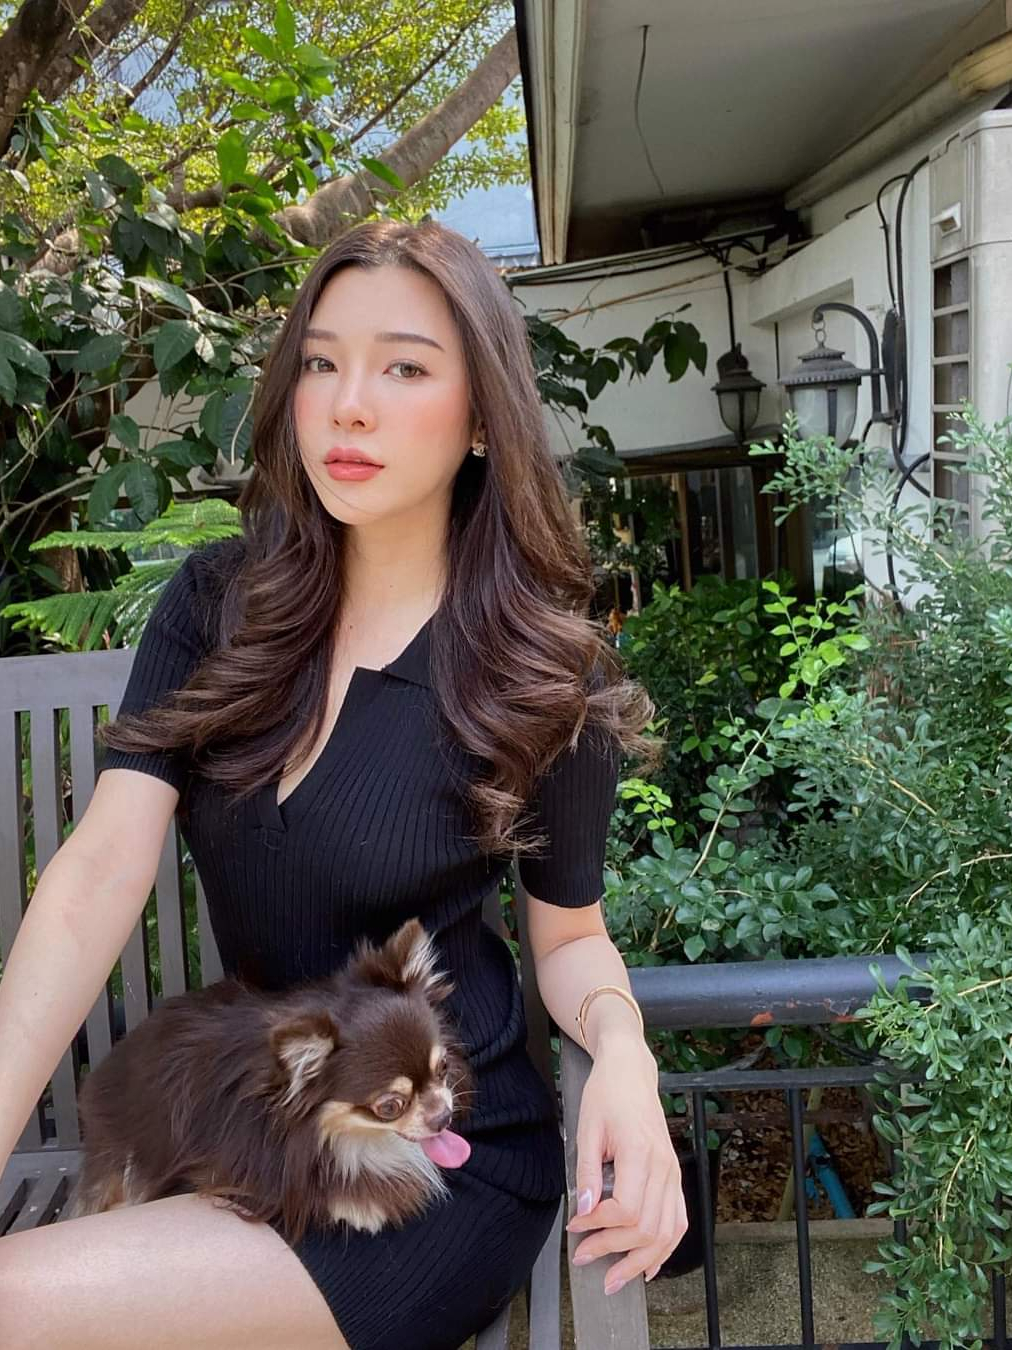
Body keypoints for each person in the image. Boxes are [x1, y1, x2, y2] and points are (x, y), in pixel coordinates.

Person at [0, 220, 686, 1349]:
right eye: (321, 362)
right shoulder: (221, 605)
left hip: (426, 1163)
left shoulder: (539, 673)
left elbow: (568, 937)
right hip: (255, 1131)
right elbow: (99, 872)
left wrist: (623, 1055)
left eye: (404, 368)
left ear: (482, 414)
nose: (348, 406)